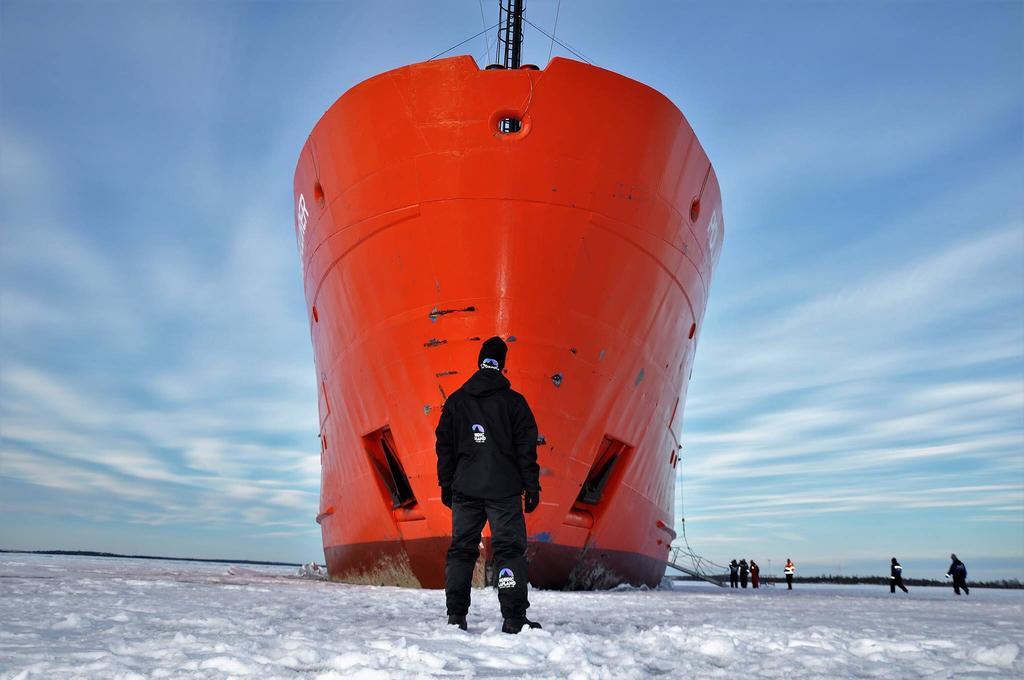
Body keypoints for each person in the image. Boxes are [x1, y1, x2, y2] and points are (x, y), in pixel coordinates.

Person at [435, 336, 542, 634]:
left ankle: (456, 616)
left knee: (461, 550)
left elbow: (444, 445)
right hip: (504, 491)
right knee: (509, 551)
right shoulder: (515, 403)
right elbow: (526, 449)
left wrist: (446, 484)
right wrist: (532, 487)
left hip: (465, 489)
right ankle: (513, 618)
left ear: (479, 361)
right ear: (502, 366)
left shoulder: (456, 401)